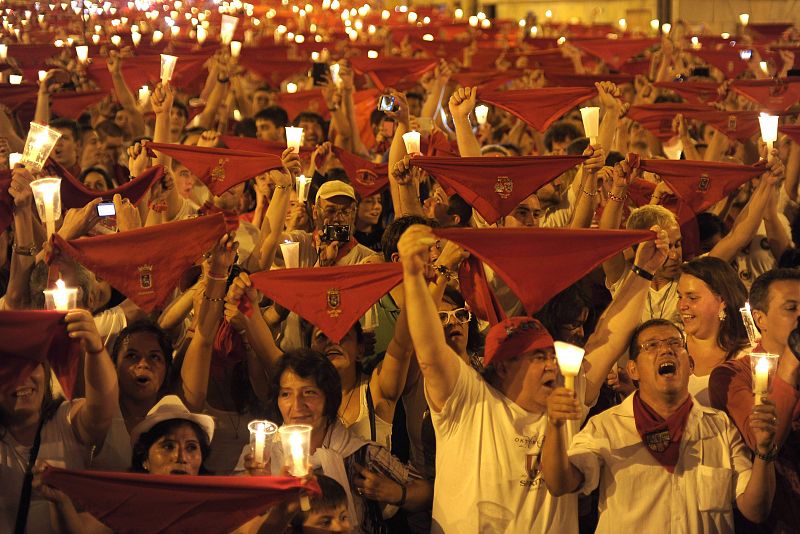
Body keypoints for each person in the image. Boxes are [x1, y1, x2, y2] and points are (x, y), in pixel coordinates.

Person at [398, 222, 670, 533]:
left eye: (552, 356)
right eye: (538, 357)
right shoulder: (468, 401)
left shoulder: (565, 397)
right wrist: (414, 276)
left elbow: (606, 340)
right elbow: (430, 353)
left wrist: (644, 271)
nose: (552, 365)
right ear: (503, 367)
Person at [542, 318, 778, 533]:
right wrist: (554, 425)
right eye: (651, 345)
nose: (666, 349)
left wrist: (764, 452)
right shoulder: (606, 427)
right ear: (633, 370)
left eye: (675, 343)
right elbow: (560, 483)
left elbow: (755, 510)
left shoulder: (720, 427)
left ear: (690, 364)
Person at [240, 350, 430, 533]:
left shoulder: (359, 454)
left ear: (329, 398)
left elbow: (426, 493)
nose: (297, 405)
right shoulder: (260, 458)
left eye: (309, 392)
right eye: (286, 394)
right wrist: (255, 488)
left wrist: (395, 493)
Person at [0, 309, 118, 533]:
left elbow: (101, 408)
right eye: (9, 371)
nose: (22, 379)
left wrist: (95, 350)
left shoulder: (65, 420)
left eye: (30, 365)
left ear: (45, 370)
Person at [710, 269, 800, 532]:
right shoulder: (732, 375)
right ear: (760, 318)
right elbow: (758, 437)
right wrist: (790, 364)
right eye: (791, 308)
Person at [677, 256, 750, 405]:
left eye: (692, 298)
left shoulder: (748, 355)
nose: (682, 305)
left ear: (722, 301)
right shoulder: (671, 347)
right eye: (679, 296)